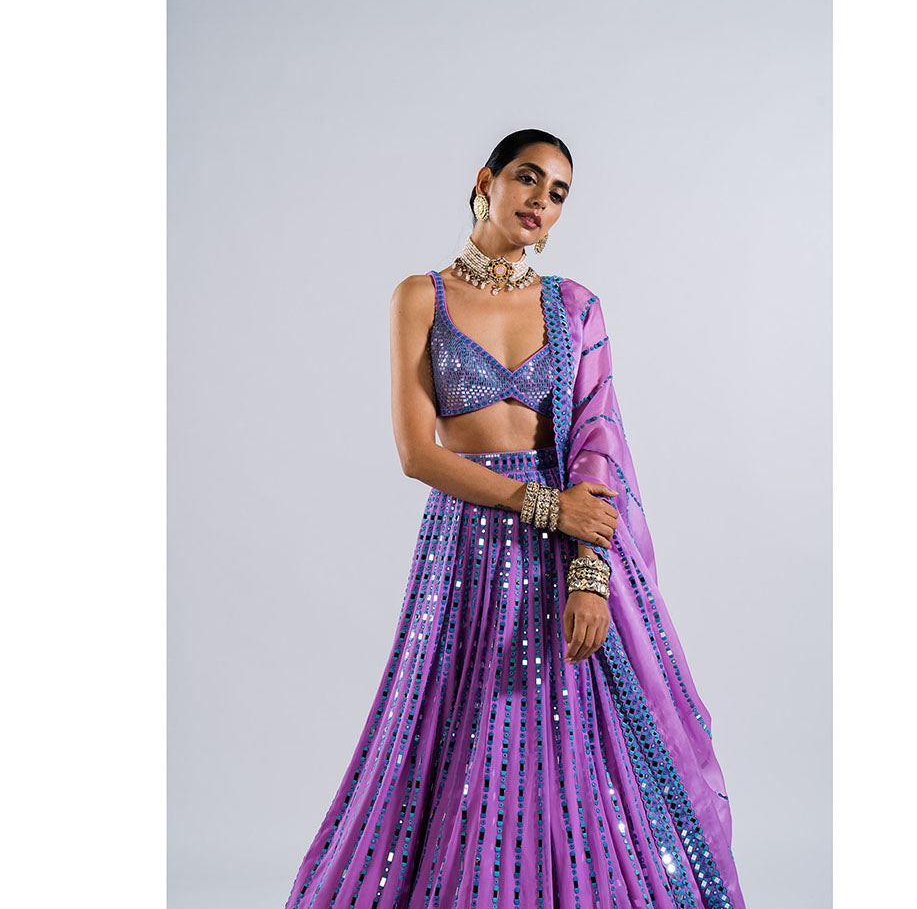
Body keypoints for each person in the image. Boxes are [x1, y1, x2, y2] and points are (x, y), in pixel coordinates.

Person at [282, 129, 747, 908]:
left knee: (573, 737)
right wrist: (544, 505)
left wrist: (590, 574)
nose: (540, 201)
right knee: (453, 729)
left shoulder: (573, 307)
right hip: (464, 545)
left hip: (567, 549)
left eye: (558, 192)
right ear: (486, 180)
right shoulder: (421, 297)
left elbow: (597, 443)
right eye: (528, 179)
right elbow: (417, 453)